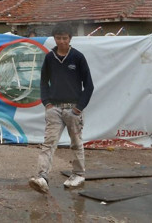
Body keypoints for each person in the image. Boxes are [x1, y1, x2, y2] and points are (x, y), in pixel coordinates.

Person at [28, 23, 95, 193]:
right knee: (48, 143)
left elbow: (89, 86)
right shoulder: (50, 58)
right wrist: (47, 104)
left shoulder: (78, 57)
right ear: (55, 39)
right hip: (55, 109)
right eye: (58, 38)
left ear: (70, 39)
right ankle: (42, 177)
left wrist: (79, 108)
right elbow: (43, 81)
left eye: (65, 38)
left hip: (73, 109)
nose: (62, 41)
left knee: (76, 143)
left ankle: (79, 174)